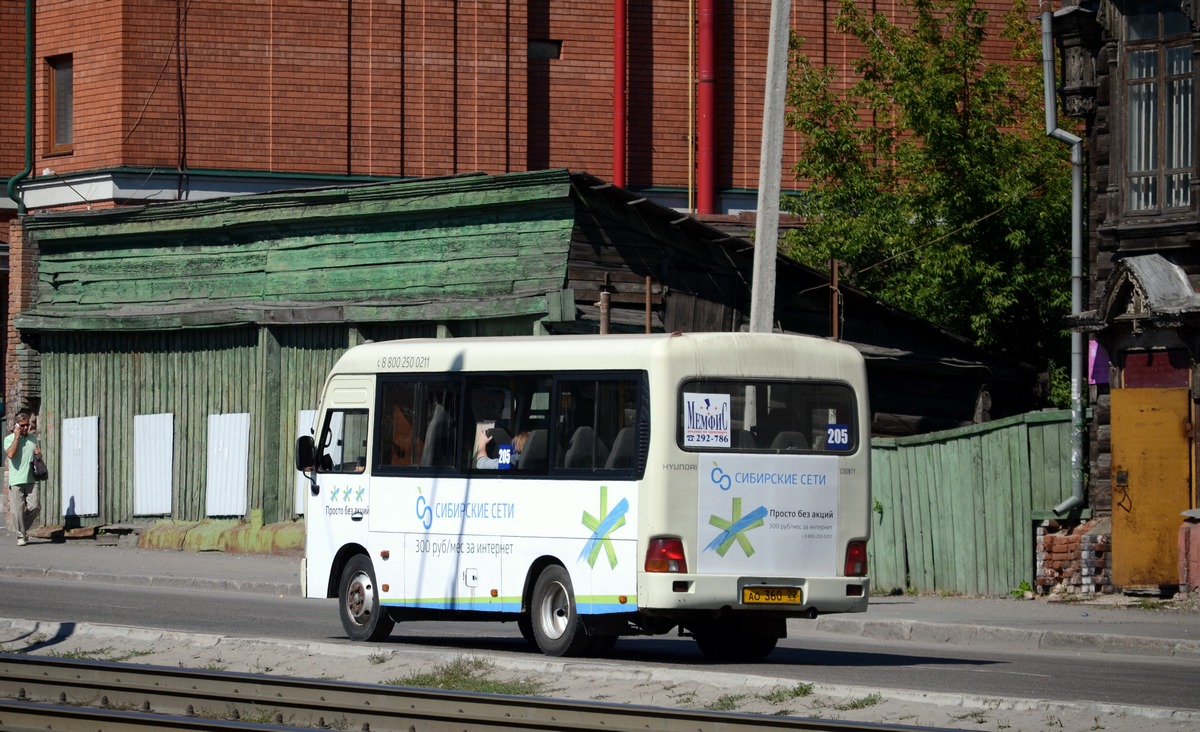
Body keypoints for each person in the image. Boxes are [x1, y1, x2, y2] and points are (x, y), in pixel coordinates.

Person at [5, 410, 42, 546]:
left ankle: (22, 529)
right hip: (16, 481)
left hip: (31, 479)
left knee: (35, 507)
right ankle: (21, 536)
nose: (26, 428)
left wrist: (39, 454)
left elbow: (36, 456)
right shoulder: (8, 439)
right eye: (22, 425)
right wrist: (16, 437)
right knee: (17, 511)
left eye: (27, 425)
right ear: (16, 426)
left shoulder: (32, 438)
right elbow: (10, 454)